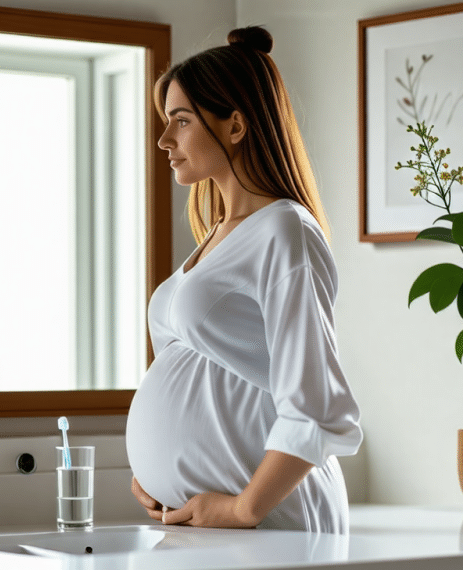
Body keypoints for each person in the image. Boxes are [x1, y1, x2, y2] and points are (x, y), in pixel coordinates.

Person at [124, 26, 363, 534]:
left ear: (235, 125)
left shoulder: (284, 230)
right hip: (204, 524)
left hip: (272, 520)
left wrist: (241, 508)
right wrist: (156, 477)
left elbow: (316, 404)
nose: (165, 140)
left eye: (181, 121)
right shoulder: (217, 235)